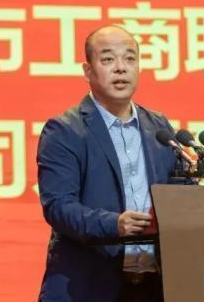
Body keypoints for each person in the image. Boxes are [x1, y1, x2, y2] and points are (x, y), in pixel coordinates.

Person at [37, 25, 181, 301]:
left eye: (129, 58)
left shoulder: (159, 127)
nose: (121, 68)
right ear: (87, 71)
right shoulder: (65, 131)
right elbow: (58, 207)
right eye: (108, 59)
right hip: (88, 286)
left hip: (154, 286)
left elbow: (177, 191)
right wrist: (115, 224)